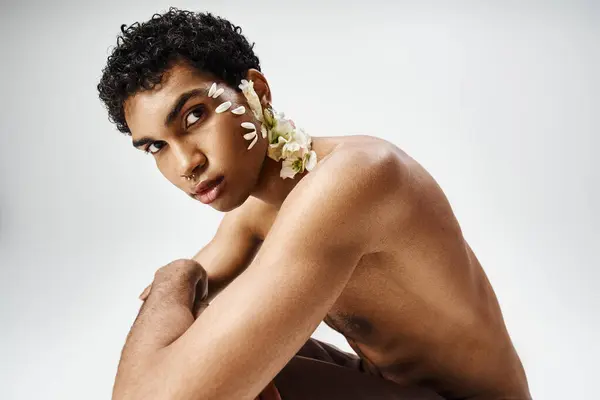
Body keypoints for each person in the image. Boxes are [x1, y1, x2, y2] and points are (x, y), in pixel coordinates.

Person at [97, 8, 531, 400]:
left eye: (195, 115)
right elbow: (159, 345)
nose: (186, 163)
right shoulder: (252, 214)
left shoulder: (356, 179)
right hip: (389, 384)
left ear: (256, 92)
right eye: (156, 147)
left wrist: (174, 274)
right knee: (214, 344)